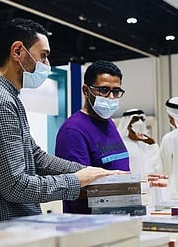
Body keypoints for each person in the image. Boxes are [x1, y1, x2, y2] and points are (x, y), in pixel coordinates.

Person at [0, 18, 122, 223]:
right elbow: (15, 186)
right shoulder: (1, 102)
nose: (47, 65)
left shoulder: (3, 96)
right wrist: (76, 180)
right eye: (44, 56)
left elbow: (36, 157)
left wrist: (91, 172)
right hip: (6, 227)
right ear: (17, 52)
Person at [55, 60, 130, 214]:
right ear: (86, 90)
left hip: (117, 219)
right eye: (103, 90)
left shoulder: (110, 124)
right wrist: (126, 188)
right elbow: (76, 187)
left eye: (116, 91)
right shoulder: (73, 130)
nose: (111, 97)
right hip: (87, 225)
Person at [116, 109, 162, 175]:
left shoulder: (146, 143)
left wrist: (151, 143)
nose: (140, 122)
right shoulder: (121, 143)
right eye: (136, 119)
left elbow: (156, 165)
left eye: (141, 119)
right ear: (127, 124)